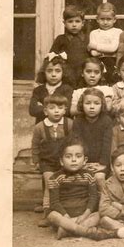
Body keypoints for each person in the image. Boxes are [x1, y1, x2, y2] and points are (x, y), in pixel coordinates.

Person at [46, 138, 117, 240]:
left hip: (84, 215)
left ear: (84, 161)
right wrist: (66, 216)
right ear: (61, 161)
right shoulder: (55, 178)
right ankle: (86, 232)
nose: (74, 160)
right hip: (65, 216)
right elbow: (54, 202)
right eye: (68, 157)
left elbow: (93, 197)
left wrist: (85, 214)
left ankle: (67, 230)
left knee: (99, 214)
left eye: (78, 156)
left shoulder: (89, 176)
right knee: (52, 215)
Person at [31, 94, 73, 227]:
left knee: (66, 183)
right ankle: (47, 214)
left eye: (60, 108)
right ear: (45, 111)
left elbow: (74, 142)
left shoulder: (69, 124)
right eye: (52, 108)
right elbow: (35, 145)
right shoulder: (39, 127)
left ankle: (65, 212)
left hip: (64, 161)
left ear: (65, 110)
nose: (56, 111)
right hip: (47, 162)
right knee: (50, 183)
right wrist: (36, 161)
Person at [72, 88, 113, 192]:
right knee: (79, 179)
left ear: (102, 105)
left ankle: (104, 201)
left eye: (96, 103)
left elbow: (107, 144)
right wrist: (82, 162)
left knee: (99, 178)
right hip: (83, 162)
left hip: (101, 163)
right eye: (87, 103)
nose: (91, 107)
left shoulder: (106, 121)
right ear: (82, 104)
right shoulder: (78, 121)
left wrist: (102, 164)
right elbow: (76, 144)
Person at [49, 5, 89, 87]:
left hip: (83, 74)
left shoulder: (87, 38)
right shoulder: (60, 39)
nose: (74, 25)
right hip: (66, 75)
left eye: (77, 21)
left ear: (83, 23)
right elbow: (52, 56)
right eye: (70, 21)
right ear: (64, 23)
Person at [29, 53, 73, 124]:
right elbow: (33, 110)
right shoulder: (38, 90)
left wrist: (44, 107)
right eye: (49, 71)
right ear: (44, 72)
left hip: (61, 128)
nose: (53, 74)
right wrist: (57, 108)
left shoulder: (67, 89)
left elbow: (67, 111)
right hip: (43, 127)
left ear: (63, 72)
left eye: (57, 71)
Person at [88, 2, 123, 84]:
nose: (105, 22)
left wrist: (95, 46)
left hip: (113, 61)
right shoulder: (94, 33)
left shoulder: (117, 32)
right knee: (99, 82)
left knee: (113, 81)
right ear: (97, 19)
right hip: (98, 62)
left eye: (108, 19)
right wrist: (105, 50)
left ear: (114, 20)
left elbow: (113, 48)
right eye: (102, 19)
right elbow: (93, 53)